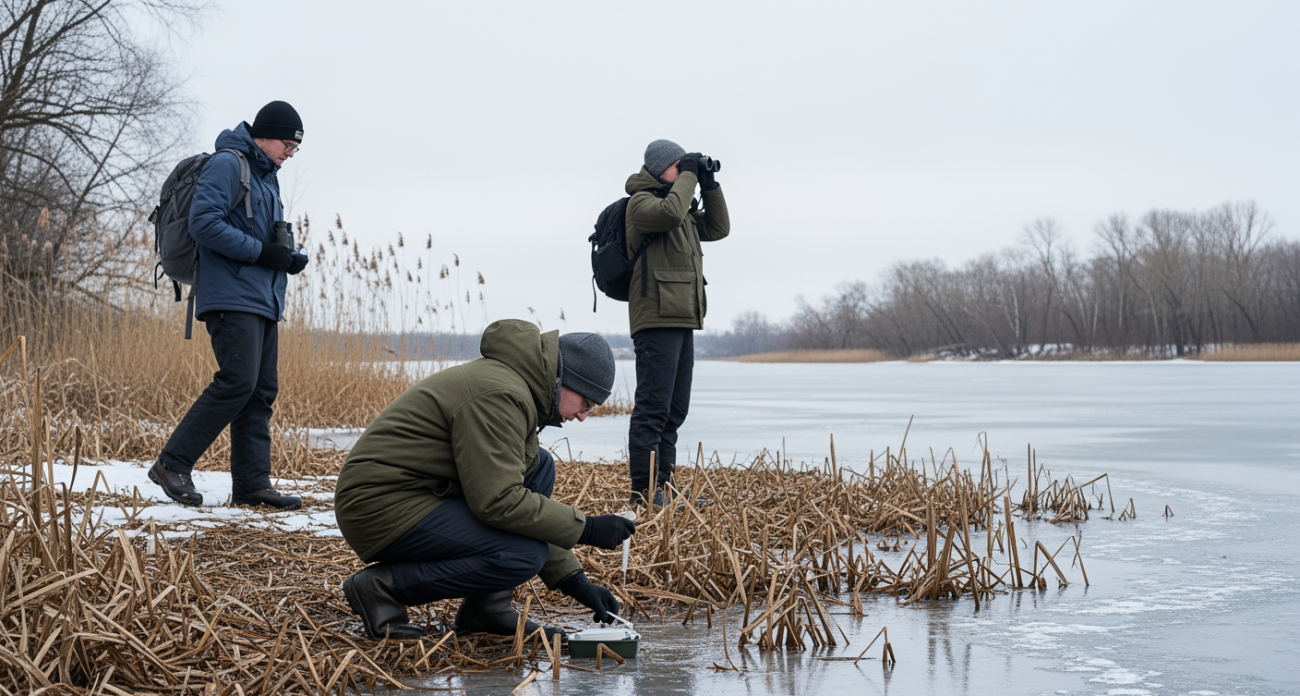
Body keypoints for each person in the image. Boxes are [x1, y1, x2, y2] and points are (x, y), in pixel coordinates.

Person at [334, 320, 636, 640]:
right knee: (522, 555)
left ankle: (487, 609)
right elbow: (498, 501)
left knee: (539, 466)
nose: (583, 415)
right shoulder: (500, 394)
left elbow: (509, 495)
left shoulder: (515, 389)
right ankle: (380, 588)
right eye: (587, 403)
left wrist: (576, 581)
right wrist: (586, 527)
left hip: (415, 493)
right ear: (565, 379)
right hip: (377, 505)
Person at [148, 101, 310, 510]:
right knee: (237, 380)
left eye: (295, 147)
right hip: (230, 296)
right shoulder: (228, 164)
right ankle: (172, 463)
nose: (291, 153)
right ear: (267, 135)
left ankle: (252, 485)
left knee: (260, 390)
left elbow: (261, 240)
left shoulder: (267, 178)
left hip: (263, 298)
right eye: (289, 144)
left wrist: (285, 257)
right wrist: (262, 253)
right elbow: (204, 223)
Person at [624, 139, 730, 506]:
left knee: (674, 410)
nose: (685, 171)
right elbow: (668, 213)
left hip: (682, 316)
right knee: (653, 409)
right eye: (678, 166)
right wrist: (689, 174)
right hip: (655, 318)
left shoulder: (681, 208)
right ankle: (644, 492)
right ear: (660, 168)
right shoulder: (643, 204)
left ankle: (663, 488)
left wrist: (709, 185)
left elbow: (718, 228)